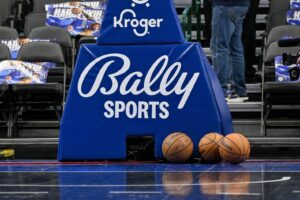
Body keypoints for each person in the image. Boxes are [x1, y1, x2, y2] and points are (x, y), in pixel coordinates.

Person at [210, 0, 250, 103]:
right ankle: (239, 91)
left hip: (225, 5)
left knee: (219, 48)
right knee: (236, 49)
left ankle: (221, 92)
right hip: (242, 5)